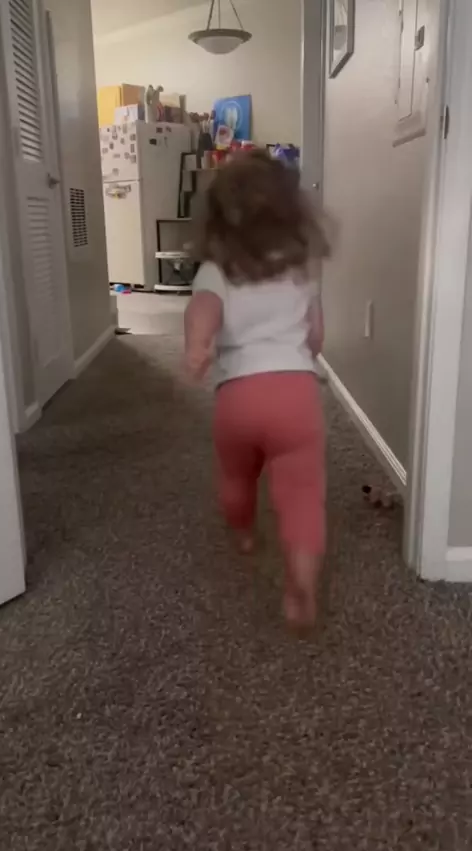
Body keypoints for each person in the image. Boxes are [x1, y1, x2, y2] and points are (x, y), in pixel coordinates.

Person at [184, 150, 330, 627]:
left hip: (239, 397)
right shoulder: (301, 268)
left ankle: (245, 531)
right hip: (296, 395)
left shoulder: (216, 269)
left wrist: (197, 345)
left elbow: (203, 310)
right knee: (303, 493)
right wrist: (303, 353)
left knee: (236, 477)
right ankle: (301, 584)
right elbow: (316, 335)